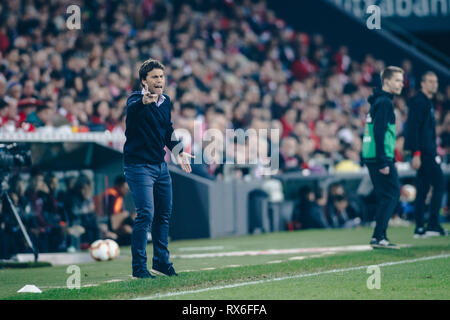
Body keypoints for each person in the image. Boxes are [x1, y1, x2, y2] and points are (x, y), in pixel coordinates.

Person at [123, 59, 194, 279]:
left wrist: (179, 151)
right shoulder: (135, 100)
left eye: (161, 76)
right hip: (138, 166)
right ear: (144, 81)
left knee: (163, 215)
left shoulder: (166, 102)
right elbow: (134, 109)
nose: (159, 80)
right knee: (146, 214)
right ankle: (138, 269)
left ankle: (161, 263)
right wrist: (144, 101)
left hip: (160, 165)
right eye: (154, 76)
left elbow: (168, 130)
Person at [362, 66, 404, 248]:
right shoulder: (385, 103)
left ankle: (379, 236)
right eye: (397, 80)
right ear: (386, 81)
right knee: (392, 194)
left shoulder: (378, 102)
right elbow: (379, 132)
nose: (401, 84)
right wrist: (383, 160)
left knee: (387, 195)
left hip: (374, 156)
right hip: (381, 157)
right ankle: (379, 236)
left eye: (401, 81)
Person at [404, 71, 448, 238]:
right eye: (430, 81)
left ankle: (420, 227)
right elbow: (413, 129)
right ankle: (433, 224)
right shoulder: (419, 102)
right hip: (424, 153)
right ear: (422, 83)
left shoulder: (427, 102)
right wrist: (415, 153)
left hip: (427, 151)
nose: (434, 84)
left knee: (422, 190)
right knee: (440, 183)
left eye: (435, 81)